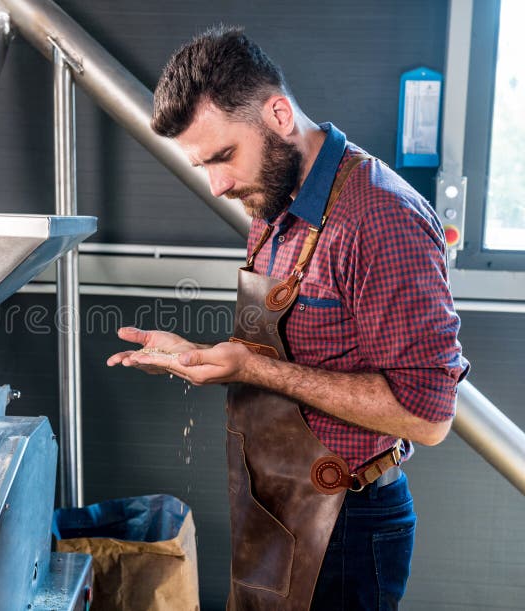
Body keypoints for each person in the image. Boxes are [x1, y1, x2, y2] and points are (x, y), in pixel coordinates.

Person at [107, 26, 469, 610]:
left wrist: (251, 368)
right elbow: (302, 347)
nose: (217, 184)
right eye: (203, 165)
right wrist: (203, 357)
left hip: (347, 525)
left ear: (278, 114)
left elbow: (427, 418)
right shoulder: (273, 194)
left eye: (224, 156)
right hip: (271, 506)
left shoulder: (381, 218)